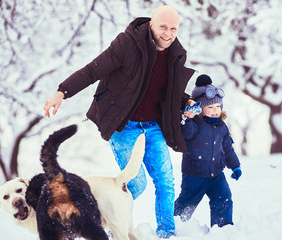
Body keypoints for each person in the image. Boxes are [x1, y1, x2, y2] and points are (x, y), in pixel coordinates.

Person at [43, 5, 195, 238]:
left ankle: (167, 233)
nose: (168, 33)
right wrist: (62, 92)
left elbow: (169, 91)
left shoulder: (176, 54)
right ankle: (111, 227)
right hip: (124, 126)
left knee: (166, 183)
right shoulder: (127, 44)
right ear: (152, 24)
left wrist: (186, 104)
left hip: (153, 127)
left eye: (173, 28)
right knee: (136, 183)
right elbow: (92, 70)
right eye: (163, 27)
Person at [174, 74, 242, 228]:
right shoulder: (194, 124)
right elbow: (185, 132)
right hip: (194, 175)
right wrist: (186, 118)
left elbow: (227, 148)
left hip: (217, 174)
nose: (215, 110)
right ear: (201, 109)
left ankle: (222, 228)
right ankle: (175, 226)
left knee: (224, 198)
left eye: (218, 106)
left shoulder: (222, 127)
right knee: (186, 203)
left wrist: (235, 166)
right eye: (210, 107)